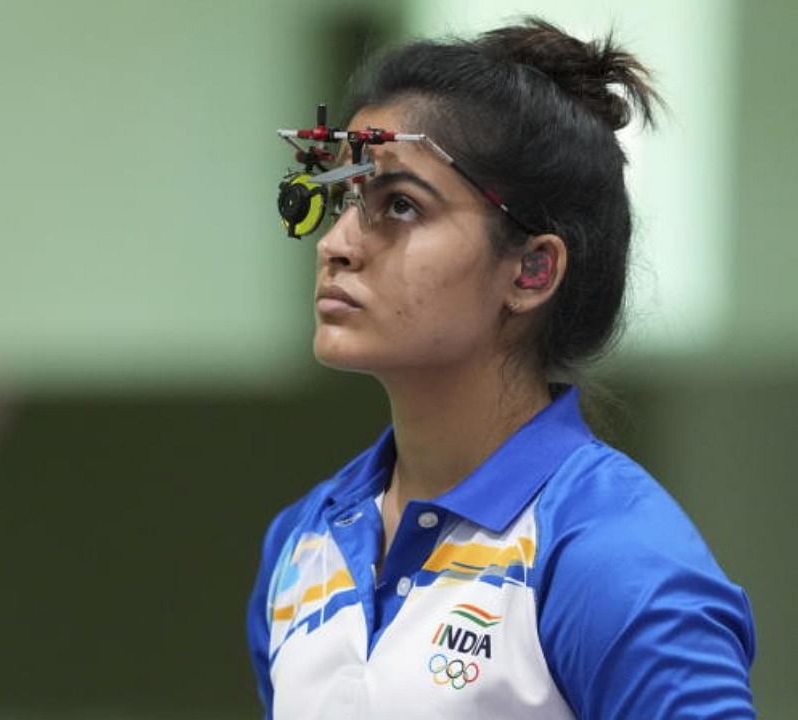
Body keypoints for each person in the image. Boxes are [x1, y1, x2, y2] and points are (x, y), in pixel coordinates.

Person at [246, 17, 756, 720]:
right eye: (341, 201)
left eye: (399, 204)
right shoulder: (303, 542)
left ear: (532, 269)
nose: (336, 243)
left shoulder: (613, 556)